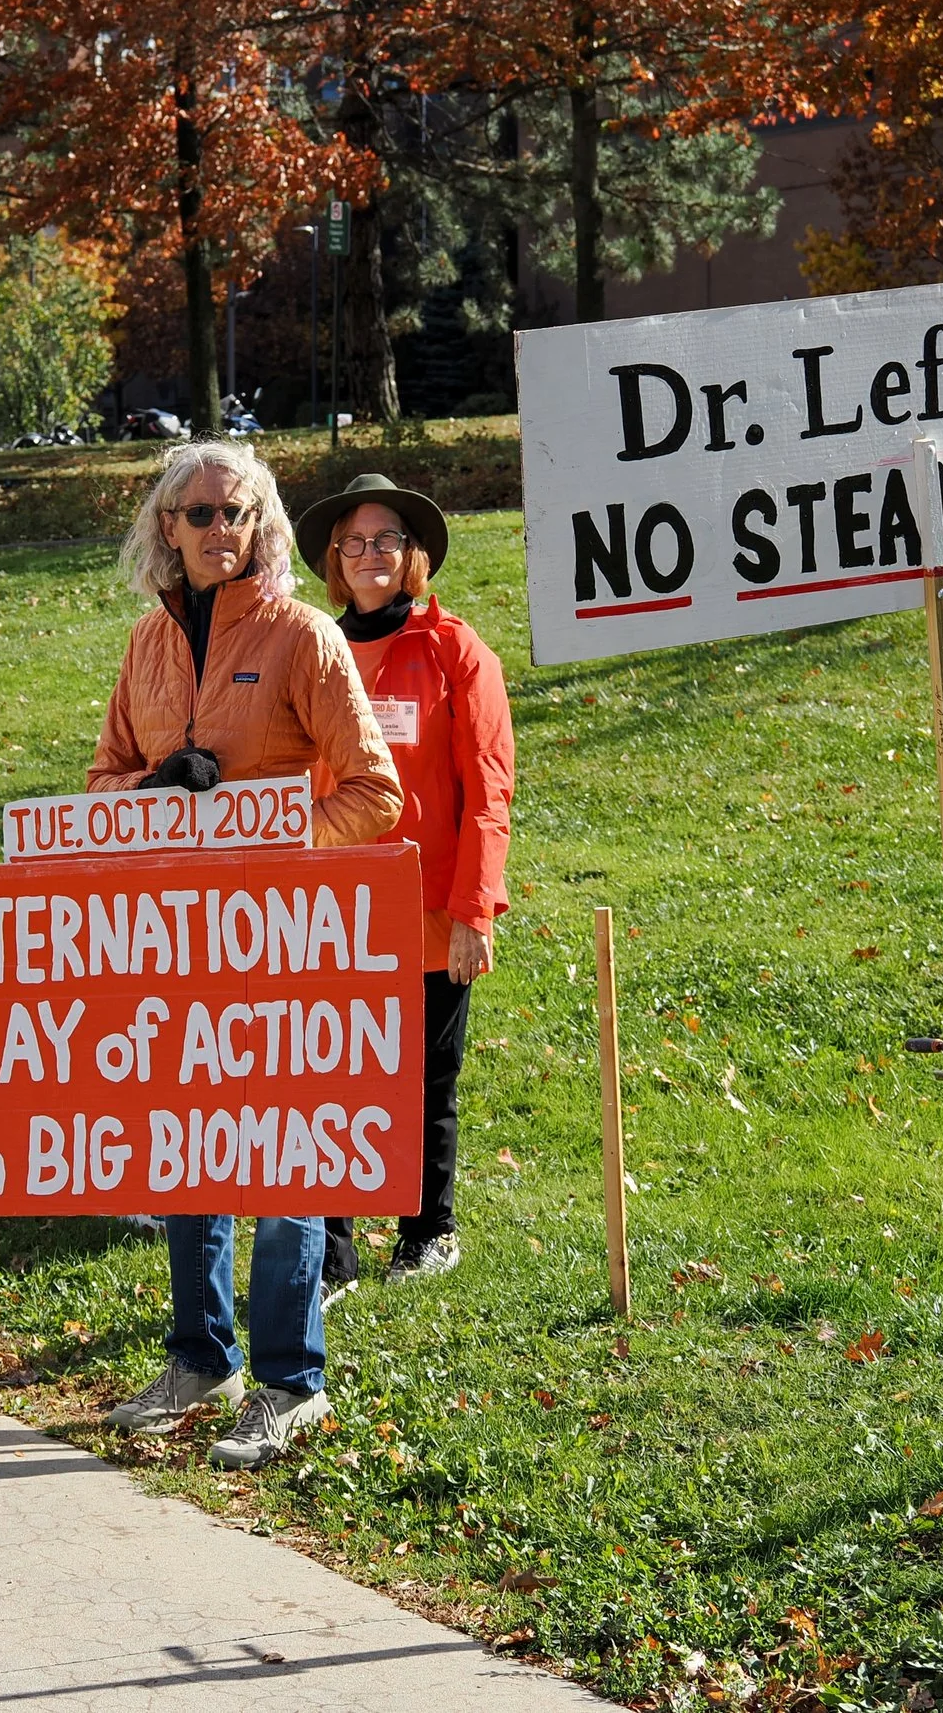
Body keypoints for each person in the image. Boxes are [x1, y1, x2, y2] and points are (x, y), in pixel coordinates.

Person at [88, 440, 403, 1470]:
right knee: (188, 1151)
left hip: (289, 943)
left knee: (285, 1163)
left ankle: (287, 1383)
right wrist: (149, 793)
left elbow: (373, 792)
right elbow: (97, 790)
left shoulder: (306, 637)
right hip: (176, 945)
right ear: (165, 530)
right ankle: (198, 1356)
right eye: (201, 514)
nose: (221, 529)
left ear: (262, 524)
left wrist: (265, 834)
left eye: (239, 512)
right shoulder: (142, 647)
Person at [296, 473, 516, 1291]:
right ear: (334, 560)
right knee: (338, 1075)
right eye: (353, 542)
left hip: (428, 909)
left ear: (413, 553)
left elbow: (490, 789)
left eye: (386, 539)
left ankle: (429, 1229)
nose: (369, 554)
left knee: (426, 1075)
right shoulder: (313, 647)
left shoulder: (457, 652)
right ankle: (336, 1251)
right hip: (330, 912)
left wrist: (473, 909)